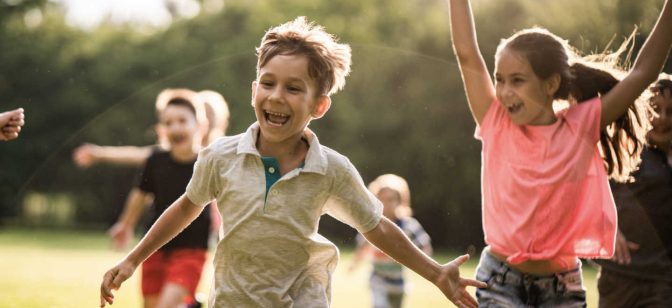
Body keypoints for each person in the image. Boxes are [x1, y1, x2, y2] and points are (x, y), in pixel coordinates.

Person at [100, 17, 486, 308]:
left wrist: (436, 273)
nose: (276, 97)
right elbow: (187, 206)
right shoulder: (220, 157)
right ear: (254, 90)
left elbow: (377, 227)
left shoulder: (330, 169)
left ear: (319, 105)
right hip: (234, 299)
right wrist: (134, 259)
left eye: (293, 88)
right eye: (268, 84)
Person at [447, 0, 672, 305]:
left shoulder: (581, 125)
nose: (503, 92)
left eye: (517, 81)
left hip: (562, 286)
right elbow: (467, 54)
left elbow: (642, 74)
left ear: (550, 84)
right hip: (499, 279)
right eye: (500, 80)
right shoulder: (495, 121)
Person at [108, 89, 211, 308]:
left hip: (191, 249)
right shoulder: (156, 160)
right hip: (154, 247)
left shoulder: (208, 161)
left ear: (200, 126)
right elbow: (140, 194)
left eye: (182, 120)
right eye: (168, 122)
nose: (175, 127)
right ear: (161, 130)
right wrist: (125, 225)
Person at [595, 76, 672, 307]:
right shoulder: (623, 151)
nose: (662, 118)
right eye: (655, 109)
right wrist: (609, 226)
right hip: (619, 277)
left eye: (670, 112)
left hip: (662, 281)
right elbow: (590, 196)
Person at [72, 89, 229, 167]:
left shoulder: (223, 155)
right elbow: (137, 154)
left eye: (210, 115)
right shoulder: (169, 154)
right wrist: (99, 154)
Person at [349, 174, 433, 308]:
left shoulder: (408, 225)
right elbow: (362, 247)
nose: (386, 204)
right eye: (381, 199)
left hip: (398, 283)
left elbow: (424, 245)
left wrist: (427, 266)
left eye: (390, 200)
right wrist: (354, 264)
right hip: (378, 281)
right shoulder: (372, 225)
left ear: (400, 201)